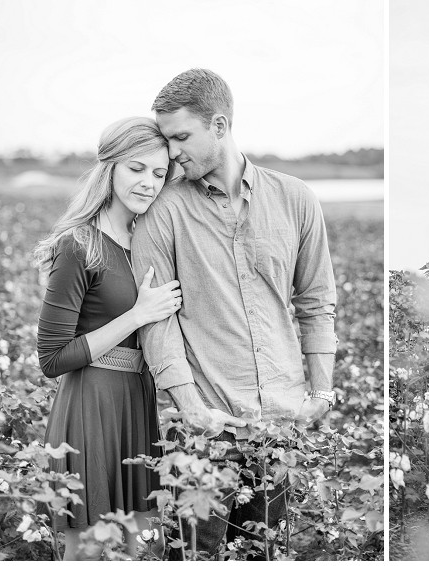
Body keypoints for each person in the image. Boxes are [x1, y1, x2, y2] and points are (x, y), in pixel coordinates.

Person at [131, 68, 338, 558]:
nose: (173, 152)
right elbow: (156, 319)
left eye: (182, 136)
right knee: (196, 556)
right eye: (167, 139)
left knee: (266, 553)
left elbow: (316, 302)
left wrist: (322, 390)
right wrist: (190, 407)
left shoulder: (295, 199)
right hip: (206, 426)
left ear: (220, 126)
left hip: (281, 424)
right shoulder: (162, 212)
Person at [33, 117, 182, 560]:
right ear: (111, 167)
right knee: (94, 548)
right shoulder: (79, 243)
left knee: (141, 544)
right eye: (137, 168)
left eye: (159, 174)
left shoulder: (147, 239)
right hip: (91, 406)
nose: (149, 183)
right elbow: (52, 357)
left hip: (138, 403)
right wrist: (138, 315)